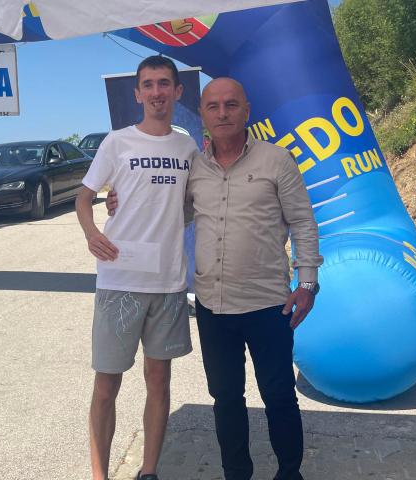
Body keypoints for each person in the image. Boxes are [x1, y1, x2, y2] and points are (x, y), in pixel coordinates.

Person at [108, 77, 322, 480]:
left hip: (268, 304)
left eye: (231, 105)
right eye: (213, 106)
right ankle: (236, 474)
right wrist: (124, 202)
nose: (222, 113)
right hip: (213, 306)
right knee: (225, 399)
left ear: (246, 111)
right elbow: (171, 212)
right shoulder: (195, 167)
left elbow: (303, 222)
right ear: (203, 115)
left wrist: (307, 282)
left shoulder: (276, 160)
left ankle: (289, 472)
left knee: (278, 395)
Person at [75, 55, 198, 480]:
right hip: (120, 279)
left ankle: (149, 470)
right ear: (138, 94)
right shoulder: (117, 142)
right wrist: (92, 231)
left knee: (159, 381)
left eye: (164, 83)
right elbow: (83, 198)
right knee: (106, 384)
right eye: (148, 84)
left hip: (168, 282)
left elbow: (188, 206)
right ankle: (99, 474)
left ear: (177, 91)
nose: (157, 92)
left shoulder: (187, 148)